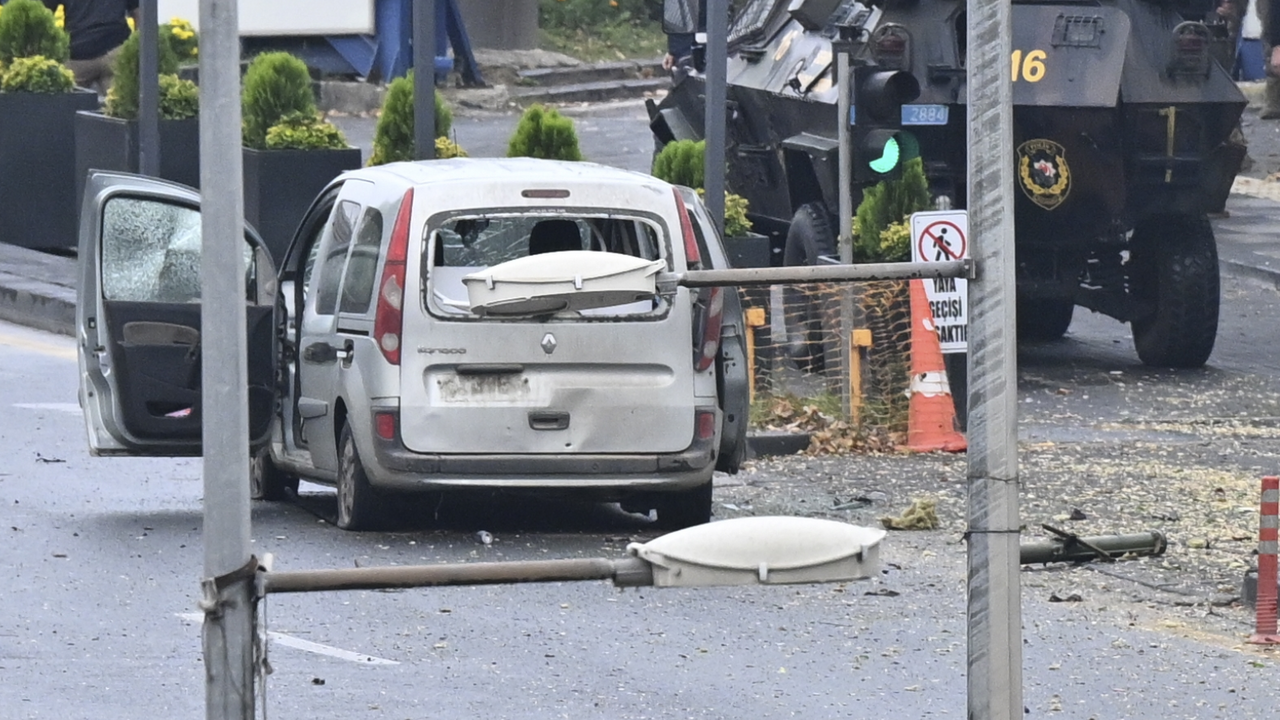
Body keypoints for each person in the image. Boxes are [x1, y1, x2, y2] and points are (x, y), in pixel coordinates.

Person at [43, 0, 141, 97]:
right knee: (119, 105)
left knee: (68, 107)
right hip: (115, 51)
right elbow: (139, 13)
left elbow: (43, 14)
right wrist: (136, 48)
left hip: (77, 54)